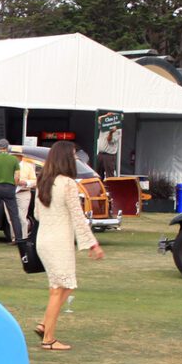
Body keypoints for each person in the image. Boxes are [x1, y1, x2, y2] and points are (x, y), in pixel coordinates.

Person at [32, 140, 105, 351]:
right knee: (59, 288)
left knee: (65, 285)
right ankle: (49, 339)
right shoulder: (67, 184)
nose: (75, 159)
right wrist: (92, 244)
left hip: (44, 239)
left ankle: (45, 324)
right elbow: (77, 216)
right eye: (73, 156)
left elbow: (37, 214)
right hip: (58, 241)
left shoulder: (43, 181)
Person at [0, 139, 23, 246]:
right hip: (9, 187)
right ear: (8, 147)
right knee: (14, 214)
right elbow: (17, 176)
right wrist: (14, 186)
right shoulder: (14, 160)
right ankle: (19, 239)